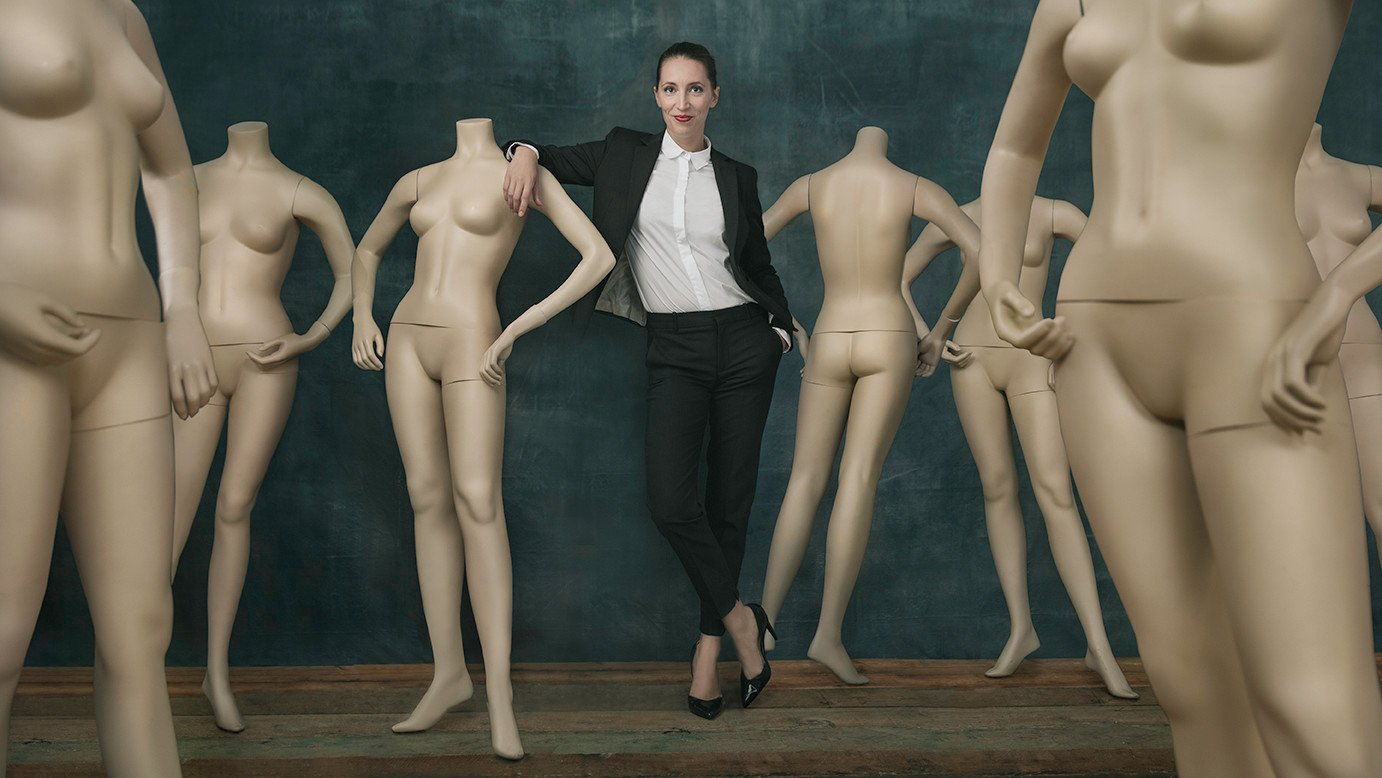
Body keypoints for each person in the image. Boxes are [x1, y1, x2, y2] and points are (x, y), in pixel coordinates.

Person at [979, 1, 1382, 774]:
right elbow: (1012, 147)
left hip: (1256, 330)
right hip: (1094, 342)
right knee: (1191, 685)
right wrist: (998, 274)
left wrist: (1339, 292)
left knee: (1312, 701)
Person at [501, 42, 792, 719]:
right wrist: (519, 149)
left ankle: (705, 662)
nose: (682, 103)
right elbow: (536, 151)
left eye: (695, 89)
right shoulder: (623, 154)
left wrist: (781, 329)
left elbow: (759, 265)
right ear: (656, 96)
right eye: (670, 89)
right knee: (671, 500)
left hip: (748, 345)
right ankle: (745, 624)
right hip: (676, 348)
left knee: (729, 507)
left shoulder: (738, 177)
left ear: (715, 96)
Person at [351, 117, 614, 758]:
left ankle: (500, 694)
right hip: (408, 336)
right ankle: (448, 674)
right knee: (426, 498)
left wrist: (523, 322)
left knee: (478, 501)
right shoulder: (419, 181)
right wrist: (362, 314)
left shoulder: (521, 174)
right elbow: (366, 251)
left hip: (475, 336)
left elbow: (599, 255)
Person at [0, 1, 216, 774]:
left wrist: (184, 305)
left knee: (141, 631)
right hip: (16, 337)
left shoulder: (120, 11)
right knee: (2, 632)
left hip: (127, 340)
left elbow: (169, 167)